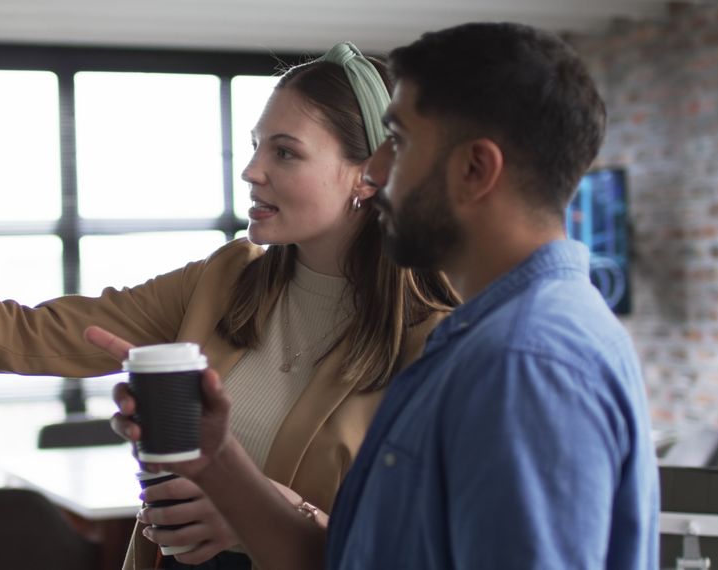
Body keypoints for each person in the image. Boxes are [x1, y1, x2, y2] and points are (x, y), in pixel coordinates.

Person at [0, 42, 459, 569]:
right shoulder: (225, 279)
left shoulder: (438, 340)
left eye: (285, 153)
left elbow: (419, 546)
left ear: (366, 174)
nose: (252, 171)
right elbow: (20, 336)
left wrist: (260, 515)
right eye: (255, 148)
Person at [101, 22, 660, 569]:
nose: (376, 169)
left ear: (475, 169)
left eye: (399, 141)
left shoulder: (524, 362)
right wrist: (218, 457)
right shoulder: (482, 339)